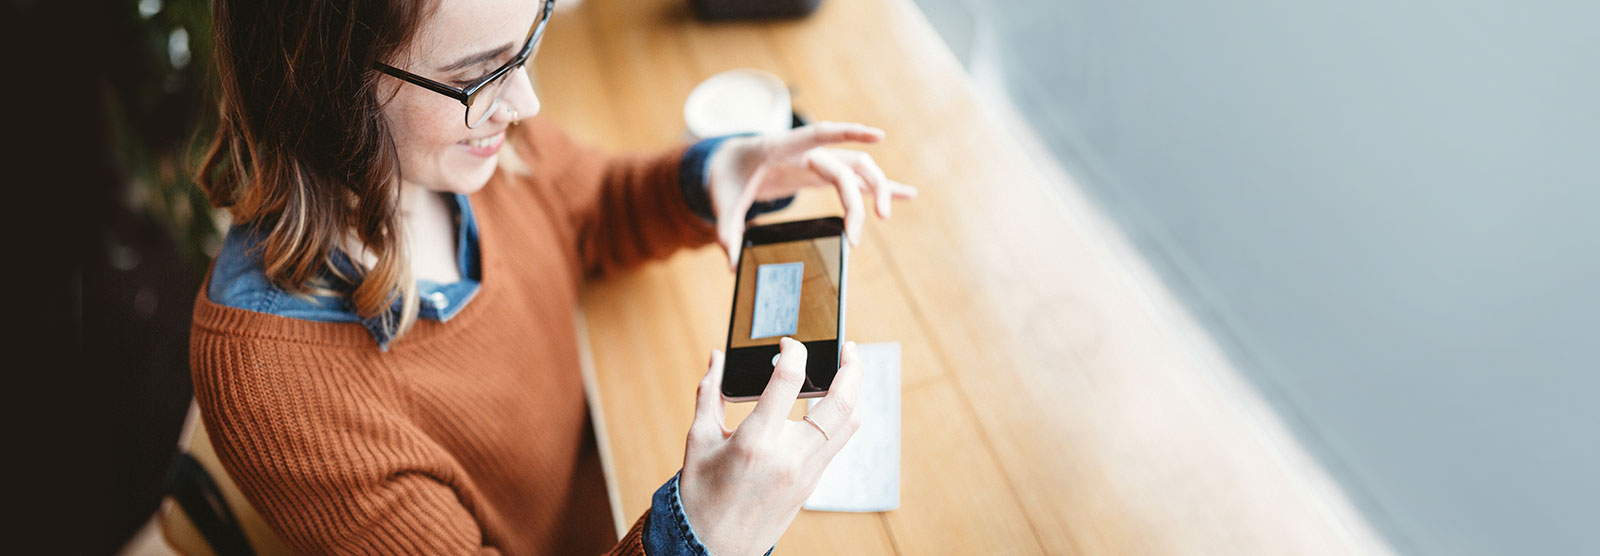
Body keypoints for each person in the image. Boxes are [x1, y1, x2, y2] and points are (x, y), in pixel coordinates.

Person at [189, 0, 917, 554]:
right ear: (323, 83)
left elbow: (590, 206)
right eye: (479, 74)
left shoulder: (461, 139)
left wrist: (714, 173)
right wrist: (699, 534)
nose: (528, 102)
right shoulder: (279, 389)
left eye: (528, 39)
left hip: (601, 467)